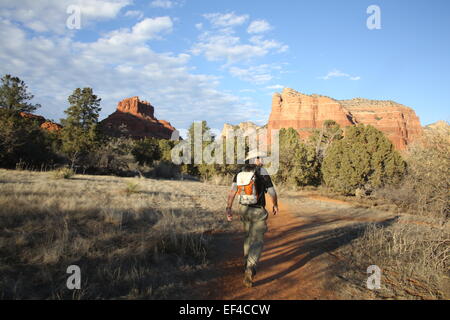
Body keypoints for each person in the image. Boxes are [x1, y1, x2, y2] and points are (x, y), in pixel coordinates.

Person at [225, 150, 279, 288]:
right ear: (255, 159)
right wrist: (275, 204)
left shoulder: (239, 172)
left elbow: (232, 192)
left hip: (243, 209)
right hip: (258, 210)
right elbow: (272, 192)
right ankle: (250, 267)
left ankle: (246, 264)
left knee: (248, 237)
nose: (262, 161)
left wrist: (229, 208)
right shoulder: (262, 171)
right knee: (258, 240)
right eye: (260, 158)